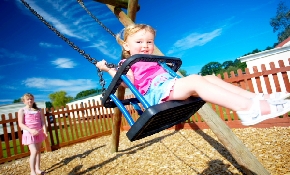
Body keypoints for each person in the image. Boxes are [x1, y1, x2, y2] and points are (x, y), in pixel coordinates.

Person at [96, 24, 290, 126]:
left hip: (170, 85)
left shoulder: (153, 59)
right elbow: (126, 83)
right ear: (127, 47)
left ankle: (258, 98)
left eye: (149, 42)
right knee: (196, 80)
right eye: (139, 42)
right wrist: (108, 69)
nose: (145, 46)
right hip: (155, 94)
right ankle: (247, 109)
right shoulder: (126, 63)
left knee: (211, 79)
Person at [18, 93, 48, 175]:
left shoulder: (39, 110)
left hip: (39, 132)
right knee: (34, 151)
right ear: (24, 101)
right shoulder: (22, 110)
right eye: (28, 99)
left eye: (31, 99)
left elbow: (42, 121)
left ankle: (38, 169)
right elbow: (21, 124)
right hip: (29, 133)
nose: (30, 100)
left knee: (38, 151)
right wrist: (30, 130)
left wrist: (45, 130)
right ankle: (32, 172)